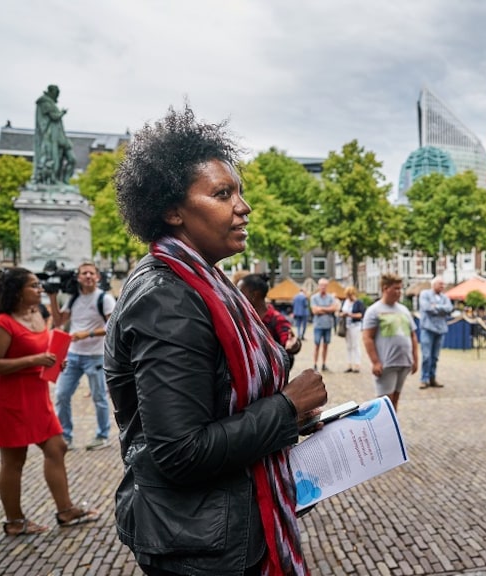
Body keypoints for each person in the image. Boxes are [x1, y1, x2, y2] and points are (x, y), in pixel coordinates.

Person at [106, 104, 328, 575]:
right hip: (202, 548)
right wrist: (285, 407)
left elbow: (219, 404)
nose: (243, 207)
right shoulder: (168, 298)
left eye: (239, 193)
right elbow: (180, 451)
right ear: (171, 210)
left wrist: (292, 419)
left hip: (215, 530)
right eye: (223, 193)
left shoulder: (206, 283)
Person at [0, 267, 100, 536]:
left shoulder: (37, 315)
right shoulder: (0, 322)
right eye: (33, 286)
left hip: (36, 392)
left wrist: (54, 359)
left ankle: (66, 510)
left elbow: (40, 348)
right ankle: (14, 521)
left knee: (56, 447)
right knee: (13, 460)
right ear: (16, 291)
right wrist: (34, 361)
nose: (40, 289)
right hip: (8, 397)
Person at [47, 262, 115, 451]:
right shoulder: (74, 298)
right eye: (83, 273)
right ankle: (66, 436)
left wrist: (89, 333)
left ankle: (102, 435)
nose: (87, 276)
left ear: (97, 277)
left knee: (99, 397)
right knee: (61, 394)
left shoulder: (105, 299)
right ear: (78, 277)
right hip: (73, 355)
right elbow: (59, 321)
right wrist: (52, 297)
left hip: (96, 356)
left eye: (91, 273)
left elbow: (114, 326)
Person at [362, 273, 418, 411]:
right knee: (384, 405)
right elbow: (367, 337)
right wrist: (375, 362)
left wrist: (415, 359)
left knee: (395, 401)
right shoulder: (374, 310)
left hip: (404, 362)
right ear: (385, 288)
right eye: (396, 288)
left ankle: (392, 431)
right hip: (387, 364)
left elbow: (412, 335)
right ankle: (383, 431)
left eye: (400, 289)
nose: (399, 292)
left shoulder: (404, 310)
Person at [237, 273, 302, 367]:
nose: (236, 296)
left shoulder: (276, 319)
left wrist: (294, 345)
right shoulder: (242, 317)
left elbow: (288, 340)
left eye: (240, 292)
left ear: (254, 295)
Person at [33, 84, 76, 185]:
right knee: (54, 159)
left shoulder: (50, 103)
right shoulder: (44, 102)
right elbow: (54, 117)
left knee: (71, 159)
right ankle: (53, 179)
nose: (57, 96)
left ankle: (64, 180)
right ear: (52, 92)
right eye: (57, 94)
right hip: (51, 137)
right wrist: (62, 113)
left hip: (60, 137)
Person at [418, 277, 453, 389]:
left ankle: (432, 378)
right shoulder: (425, 294)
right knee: (426, 356)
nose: (442, 286)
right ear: (433, 285)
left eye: (443, 284)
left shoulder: (445, 297)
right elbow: (427, 308)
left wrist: (436, 307)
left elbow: (449, 309)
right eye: (440, 284)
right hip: (427, 329)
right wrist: (441, 310)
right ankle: (424, 379)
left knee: (435, 356)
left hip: (440, 330)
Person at [311, 278, 339, 371]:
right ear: (318, 286)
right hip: (318, 325)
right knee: (317, 344)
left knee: (326, 345)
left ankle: (324, 363)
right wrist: (328, 309)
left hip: (328, 325)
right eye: (321, 285)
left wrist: (321, 309)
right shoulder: (314, 297)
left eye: (325, 285)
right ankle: (315, 364)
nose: (323, 287)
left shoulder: (331, 297)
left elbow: (334, 309)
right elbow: (315, 311)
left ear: (327, 286)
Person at [337, 286, 365, 373]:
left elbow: (361, 315)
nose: (348, 297)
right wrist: (342, 314)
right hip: (346, 326)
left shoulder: (358, 303)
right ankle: (349, 364)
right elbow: (340, 312)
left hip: (355, 325)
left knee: (355, 345)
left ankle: (357, 364)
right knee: (348, 345)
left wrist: (350, 315)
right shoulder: (345, 302)